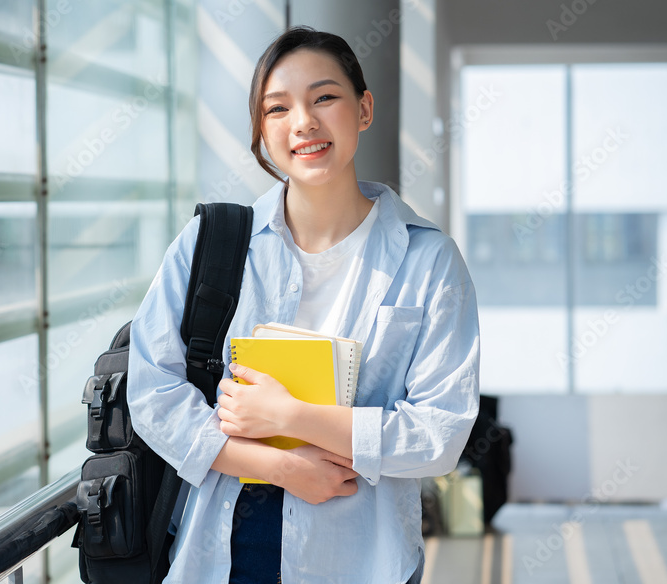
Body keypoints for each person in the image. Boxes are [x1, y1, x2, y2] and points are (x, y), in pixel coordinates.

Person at [126, 26, 479, 584]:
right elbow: (151, 389)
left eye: (324, 98)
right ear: (262, 130)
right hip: (220, 549)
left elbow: (439, 435)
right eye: (277, 108)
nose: (303, 123)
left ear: (363, 108)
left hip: (361, 558)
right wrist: (280, 467)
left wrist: (292, 417)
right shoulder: (212, 243)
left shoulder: (429, 260)